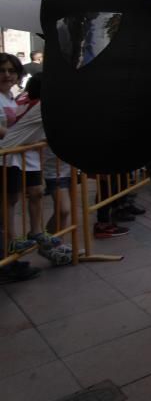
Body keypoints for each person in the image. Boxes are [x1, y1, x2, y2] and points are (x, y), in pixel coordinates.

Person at [1, 74, 73, 266]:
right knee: (11, 200)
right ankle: (14, 242)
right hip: (11, 155)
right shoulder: (43, 106)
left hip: (26, 155)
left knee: (36, 193)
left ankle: (37, 235)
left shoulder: (21, 99)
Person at [0, 52, 41, 284]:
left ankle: (9, 257)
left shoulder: (10, 97)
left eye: (11, 71)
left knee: (10, 206)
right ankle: (6, 260)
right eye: (2, 71)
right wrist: (20, 139)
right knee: (5, 209)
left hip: (12, 159)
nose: (7, 75)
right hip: (4, 159)